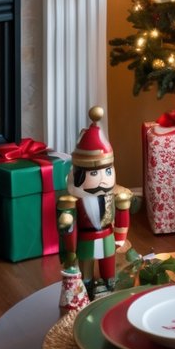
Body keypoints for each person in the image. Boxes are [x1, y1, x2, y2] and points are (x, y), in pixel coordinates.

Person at [56, 106, 132, 300]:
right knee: (86, 265)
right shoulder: (75, 201)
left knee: (108, 264)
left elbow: (122, 216)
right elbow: (68, 226)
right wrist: (70, 245)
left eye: (107, 172)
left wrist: (120, 237)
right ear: (79, 175)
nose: (101, 179)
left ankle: (109, 283)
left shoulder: (114, 195)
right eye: (94, 173)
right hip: (86, 239)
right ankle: (86, 286)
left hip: (107, 235)